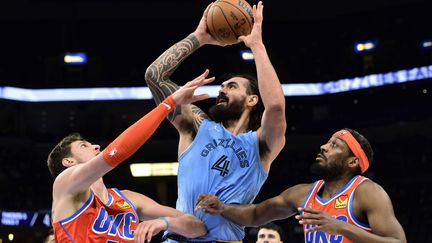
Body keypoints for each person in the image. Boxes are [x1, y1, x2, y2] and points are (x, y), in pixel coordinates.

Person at [144, 1, 286, 242]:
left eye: (232, 86)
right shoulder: (197, 126)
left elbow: (275, 107)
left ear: (252, 100)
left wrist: (257, 46)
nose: (222, 90)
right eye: (221, 86)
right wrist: (199, 36)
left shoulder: (261, 146)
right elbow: (154, 76)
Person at [48, 75, 214, 242]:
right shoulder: (64, 185)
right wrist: (169, 103)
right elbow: (117, 152)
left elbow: (198, 227)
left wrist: (165, 223)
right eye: (84, 146)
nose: (96, 146)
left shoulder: (128, 198)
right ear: (68, 162)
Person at [197, 128, 407, 243]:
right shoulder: (303, 194)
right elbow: (255, 215)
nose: (324, 146)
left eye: (335, 145)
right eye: (327, 141)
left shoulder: (367, 192)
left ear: (352, 162)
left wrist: (342, 227)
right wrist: (222, 208)